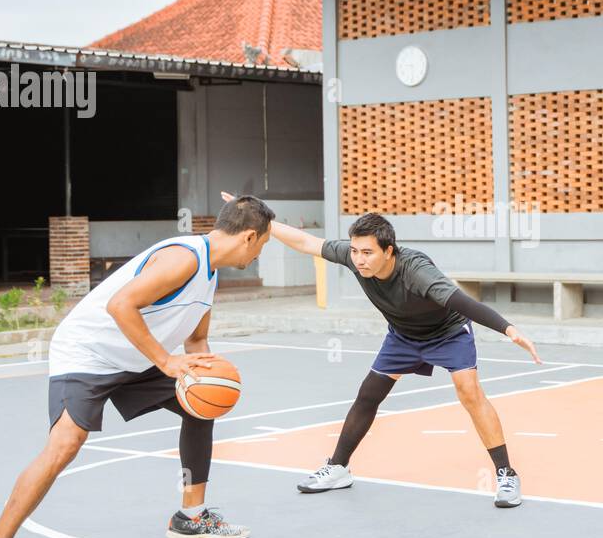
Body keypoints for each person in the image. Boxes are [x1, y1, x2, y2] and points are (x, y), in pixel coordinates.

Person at [0, 195, 275, 538]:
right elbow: (121, 304)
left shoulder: (210, 274)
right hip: (89, 353)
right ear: (250, 237)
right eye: (264, 244)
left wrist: (206, 379)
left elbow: (197, 340)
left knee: (198, 407)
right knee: (65, 444)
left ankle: (191, 516)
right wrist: (167, 364)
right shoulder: (184, 257)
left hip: (136, 355)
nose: (260, 254)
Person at [225, 193, 540, 507]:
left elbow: (463, 303)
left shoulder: (417, 272)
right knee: (368, 394)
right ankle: (338, 467)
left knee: (469, 391)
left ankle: (506, 474)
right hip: (403, 336)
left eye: (367, 253)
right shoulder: (355, 258)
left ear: (389, 251)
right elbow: (307, 243)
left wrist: (508, 329)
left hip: (448, 333)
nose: (359, 259)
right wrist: (262, 222)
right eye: (355, 251)